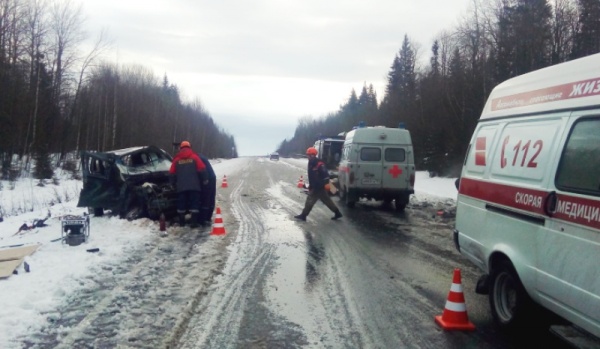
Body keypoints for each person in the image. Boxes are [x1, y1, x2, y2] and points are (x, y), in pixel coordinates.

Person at [294, 147, 343, 221]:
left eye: (308, 155)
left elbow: (326, 176)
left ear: (313, 155)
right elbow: (312, 176)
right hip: (315, 186)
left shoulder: (320, 164)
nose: (307, 156)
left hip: (318, 187)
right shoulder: (311, 163)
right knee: (327, 200)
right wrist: (311, 185)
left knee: (309, 201)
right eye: (307, 155)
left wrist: (322, 185)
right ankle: (337, 213)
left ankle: (303, 215)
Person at [169, 141, 208, 228]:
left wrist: (171, 183)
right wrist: (205, 179)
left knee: (181, 205)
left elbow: (172, 172)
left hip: (181, 187)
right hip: (194, 186)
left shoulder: (177, 159)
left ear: (181, 148)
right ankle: (193, 223)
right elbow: (202, 168)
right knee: (194, 204)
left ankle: (182, 223)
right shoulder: (195, 157)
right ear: (189, 147)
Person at [198, 153, 216, 226]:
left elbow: (201, 171)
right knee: (210, 197)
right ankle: (208, 217)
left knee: (206, 197)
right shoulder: (200, 156)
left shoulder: (197, 159)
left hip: (207, 178)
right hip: (211, 177)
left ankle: (203, 219)